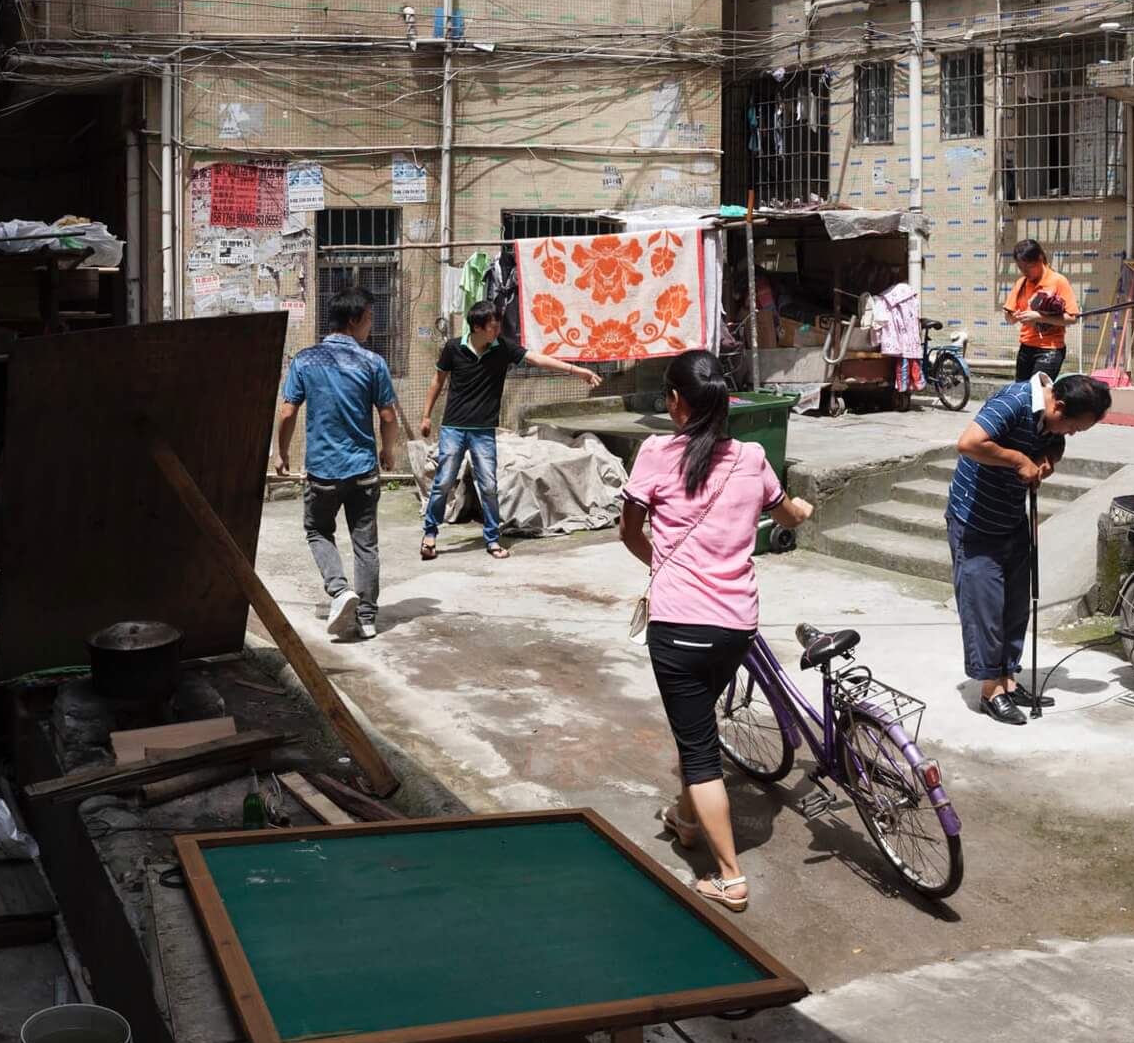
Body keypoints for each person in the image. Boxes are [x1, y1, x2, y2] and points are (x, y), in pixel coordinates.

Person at [622, 349, 813, 913]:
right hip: (735, 625)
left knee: (700, 752)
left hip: (677, 627)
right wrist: (798, 511)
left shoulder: (655, 453)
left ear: (675, 402)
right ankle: (685, 818)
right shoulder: (752, 458)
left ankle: (729, 876)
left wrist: (663, 567)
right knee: (697, 728)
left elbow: (631, 532)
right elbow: (785, 514)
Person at [947, 371, 1112, 725]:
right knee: (986, 604)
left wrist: (1048, 460)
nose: (1070, 434)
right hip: (975, 520)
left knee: (1016, 603)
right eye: (1073, 426)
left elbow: (1054, 444)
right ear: (1060, 405)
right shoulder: (1014, 401)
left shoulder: (1051, 418)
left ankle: (1007, 677)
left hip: (1012, 516)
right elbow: (969, 443)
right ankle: (991, 690)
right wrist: (1019, 460)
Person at [274, 293, 411, 641]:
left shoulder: (305, 360)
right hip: (363, 469)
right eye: (369, 318)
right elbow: (388, 415)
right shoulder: (372, 363)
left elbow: (287, 411)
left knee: (319, 531)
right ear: (354, 320)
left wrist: (282, 453)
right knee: (366, 543)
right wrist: (388, 451)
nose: (371, 325)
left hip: (322, 470)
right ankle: (366, 618)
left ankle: (339, 591)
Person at [419, 301, 599, 561]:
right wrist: (426, 415)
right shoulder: (453, 348)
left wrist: (576, 369)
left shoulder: (502, 348)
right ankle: (430, 535)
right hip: (453, 428)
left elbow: (536, 359)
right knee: (443, 482)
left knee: (489, 485)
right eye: (493, 326)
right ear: (478, 327)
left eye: (498, 325)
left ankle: (492, 538)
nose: (498, 330)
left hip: (483, 431)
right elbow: (438, 379)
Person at [1000, 238, 1080, 383]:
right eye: (1020, 268)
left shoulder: (1058, 281)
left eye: (1028, 267)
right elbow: (1009, 316)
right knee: (1022, 395)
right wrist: (1014, 317)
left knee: (1038, 394)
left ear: (1040, 258)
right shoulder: (1021, 283)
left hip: (1050, 349)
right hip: (1026, 348)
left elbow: (1072, 318)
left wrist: (1038, 316)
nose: (1025, 272)